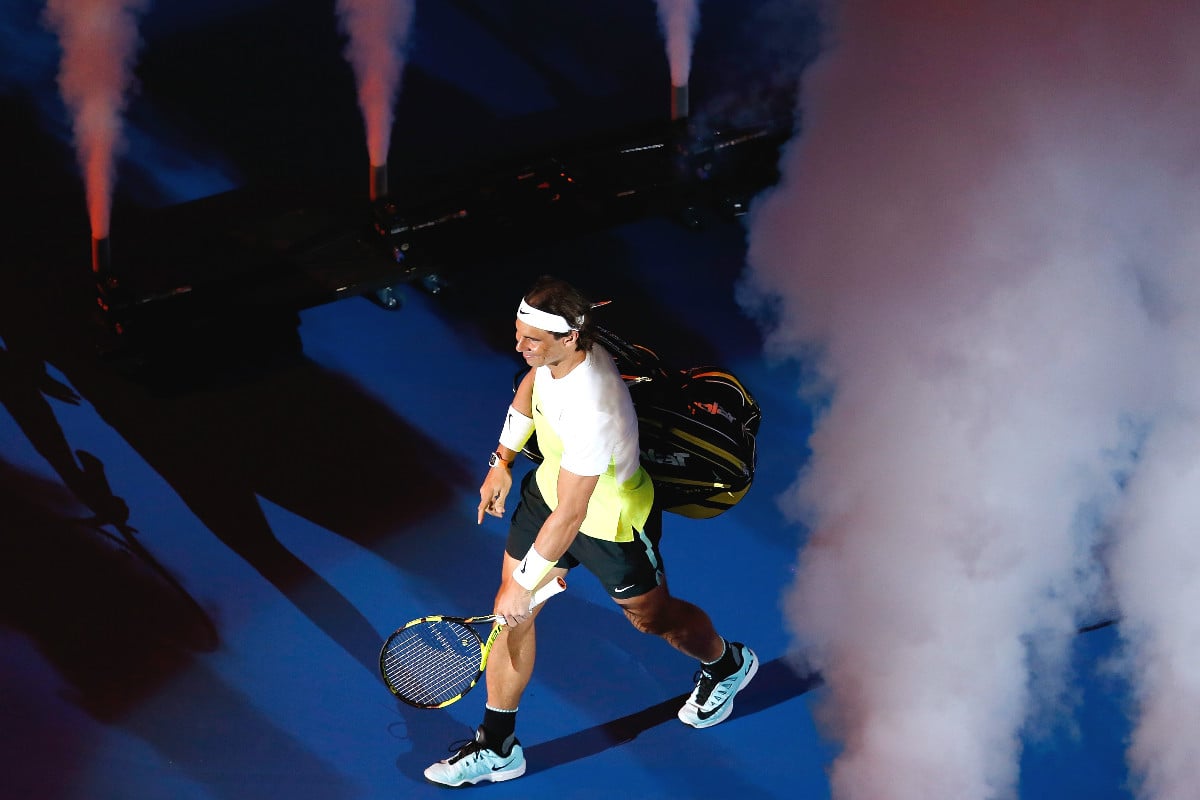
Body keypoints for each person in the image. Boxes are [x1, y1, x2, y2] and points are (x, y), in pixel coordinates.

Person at [423, 276, 757, 788]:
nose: (519, 347)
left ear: (571, 338)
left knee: (651, 619)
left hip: (609, 522)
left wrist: (524, 581)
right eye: (517, 333)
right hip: (548, 494)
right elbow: (532, 382)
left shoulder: (592, 409)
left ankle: (727, 662)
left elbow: (574, 515)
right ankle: (497, 745)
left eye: (532, 339)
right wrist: (503, 461)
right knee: (512, 615)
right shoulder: (554, 355)